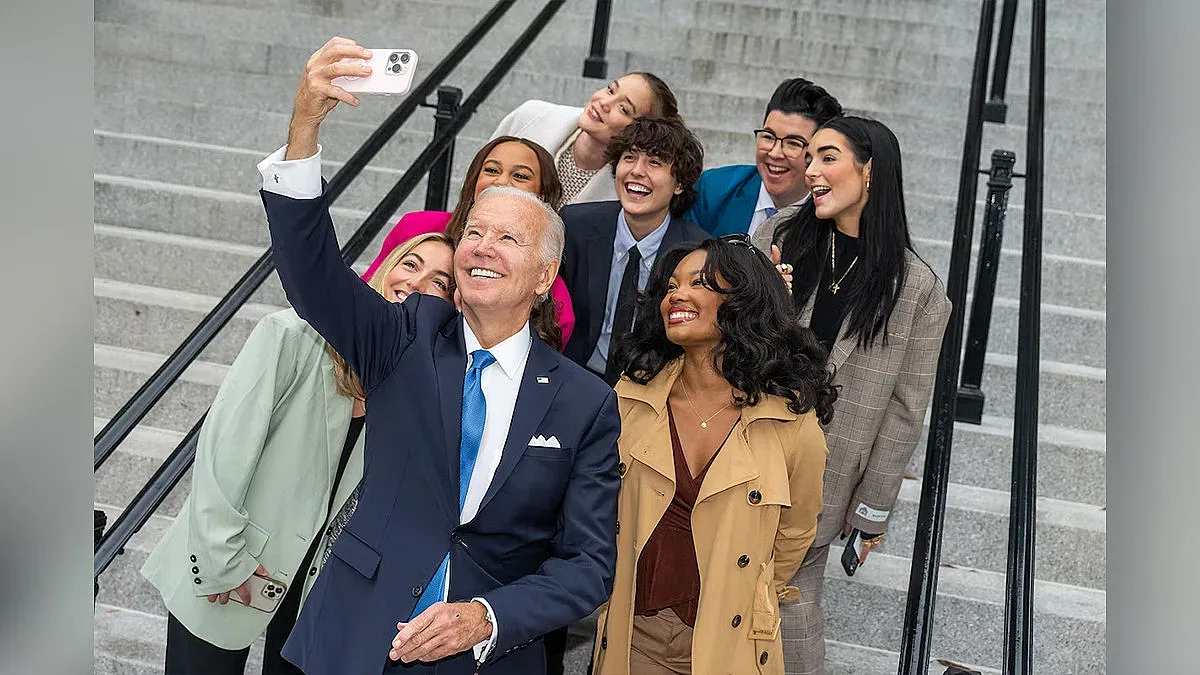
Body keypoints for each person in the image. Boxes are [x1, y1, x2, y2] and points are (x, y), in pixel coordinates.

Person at [257, 37, 622, 675]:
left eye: (508, 237)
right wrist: (304, 128)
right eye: (474, 231)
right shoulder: (405, 335)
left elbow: (588, 567)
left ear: (544, 276)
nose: (481, 247)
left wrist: (488, 615)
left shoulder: (584, 403)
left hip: (485, 657)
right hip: (355, 637)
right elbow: (314, 275)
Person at [140, 231, 456, 675]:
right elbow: (222, 455)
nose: (418, 283)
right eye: (411, 264)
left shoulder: (418, 393)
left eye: (440, 282)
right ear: (385, 268)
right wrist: (221, 562)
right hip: (228, 565)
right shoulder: (292, 335)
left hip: (315, 594)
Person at [591, 236, 836, 675]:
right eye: (670, 286)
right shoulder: (630, 397)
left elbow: (795, 533)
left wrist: (740, 593)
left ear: (744, 301)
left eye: (699, 283)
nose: (676, 296)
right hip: (635, 637)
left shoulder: (792, 422)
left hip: (732, 644)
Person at [771, 116, 952, 675]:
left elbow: (904, 413)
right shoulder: (779, 237)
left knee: (790, 607)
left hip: (823, 477)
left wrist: (870, 515)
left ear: (869, 169)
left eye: (828, 157)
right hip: (742, 449)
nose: (811, 169)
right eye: (811, 157)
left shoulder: (917, 289)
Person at [360, 135, 576, 348]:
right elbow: (371, 288)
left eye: (520, 176)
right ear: (474, 181)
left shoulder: (553, 294)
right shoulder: (416, 226)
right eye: (491, 170)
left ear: (543, 196)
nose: (501, 182)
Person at [559, 115, 708, 384]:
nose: (637, 171)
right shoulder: (575, 225)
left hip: (652, 388)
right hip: (573, 375)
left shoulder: (696, 252)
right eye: (629, 158)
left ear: (680, 184)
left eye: (655, 162)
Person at [491, 71, 679, 206]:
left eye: (623, 109)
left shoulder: (631, 189)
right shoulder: (531, 116)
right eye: (610, 90)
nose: (604, 103)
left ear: (642, 133)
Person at [686, 78, 842, 238]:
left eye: (793, 143)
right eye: (768, 137)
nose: (774, 153)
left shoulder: (834, 218)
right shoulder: (713, 189)